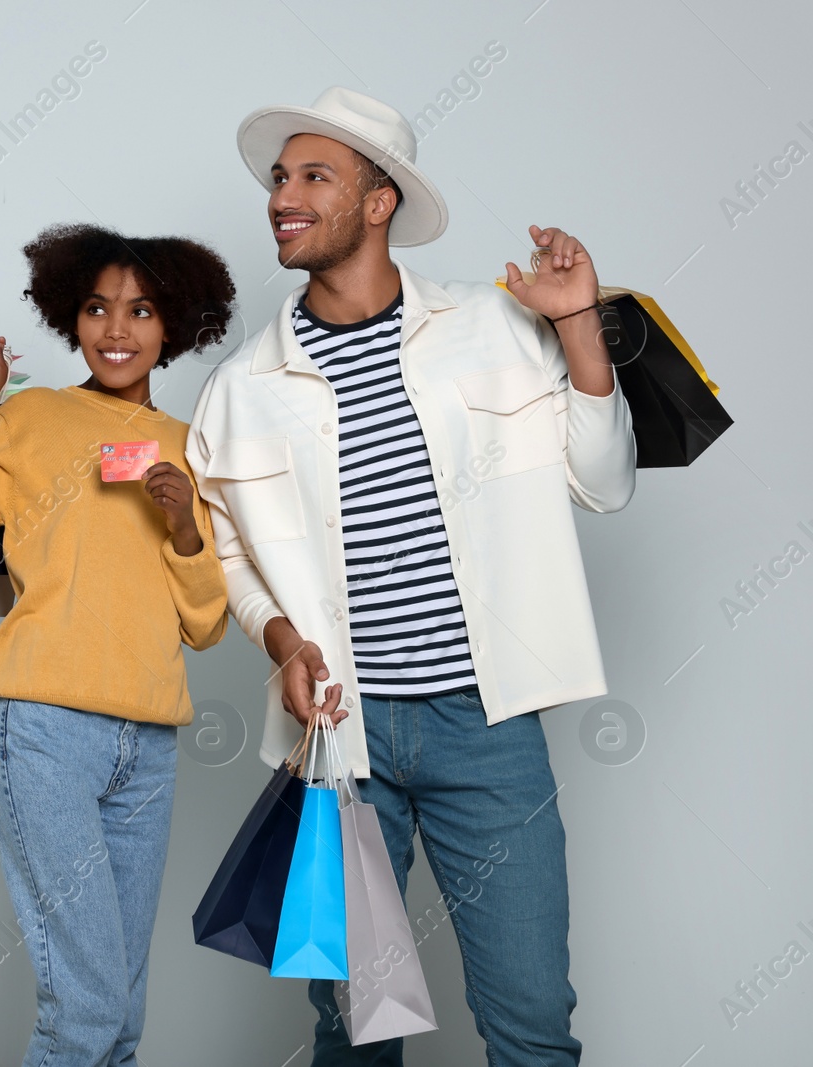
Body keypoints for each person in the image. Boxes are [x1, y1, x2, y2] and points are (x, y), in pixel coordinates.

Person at [187, 87, 636, 1066]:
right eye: (278, 178)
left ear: (380, 200)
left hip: (489, 723)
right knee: (354, 1024)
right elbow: (225, 550)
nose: (281, 196)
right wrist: (276, 638)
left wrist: (576, 329)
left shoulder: (494, 324)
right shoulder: (240, 388)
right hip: (339, 744)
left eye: (314, 176)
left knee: (529, 1021)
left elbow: (603, 485)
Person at [0, 222, 234, 1067]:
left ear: (174, 326)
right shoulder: (35, 417)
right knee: (82, 1009)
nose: (117, 330)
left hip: (148, 747)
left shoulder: (193, 446)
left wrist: (184, 528)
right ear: (69, 317)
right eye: (97, 308)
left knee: (118, 1014)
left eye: (141, 310)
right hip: (45, 731)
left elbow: (206, 624)